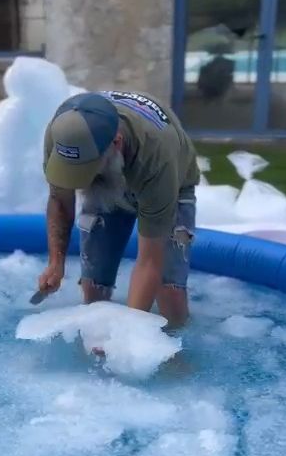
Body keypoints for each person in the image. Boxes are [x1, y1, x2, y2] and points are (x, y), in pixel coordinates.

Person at [38, 90, 199, 326]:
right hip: (112, 173)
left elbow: (149, 261)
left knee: (169, 292)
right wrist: (56, 261)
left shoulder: (157, 157)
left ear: (116, 142)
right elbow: (60, 200)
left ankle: (175, 350)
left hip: (170, 182)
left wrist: (127, 335)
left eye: (87, 169)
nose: (82, 180)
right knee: (93, 283)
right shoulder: (63, 134)